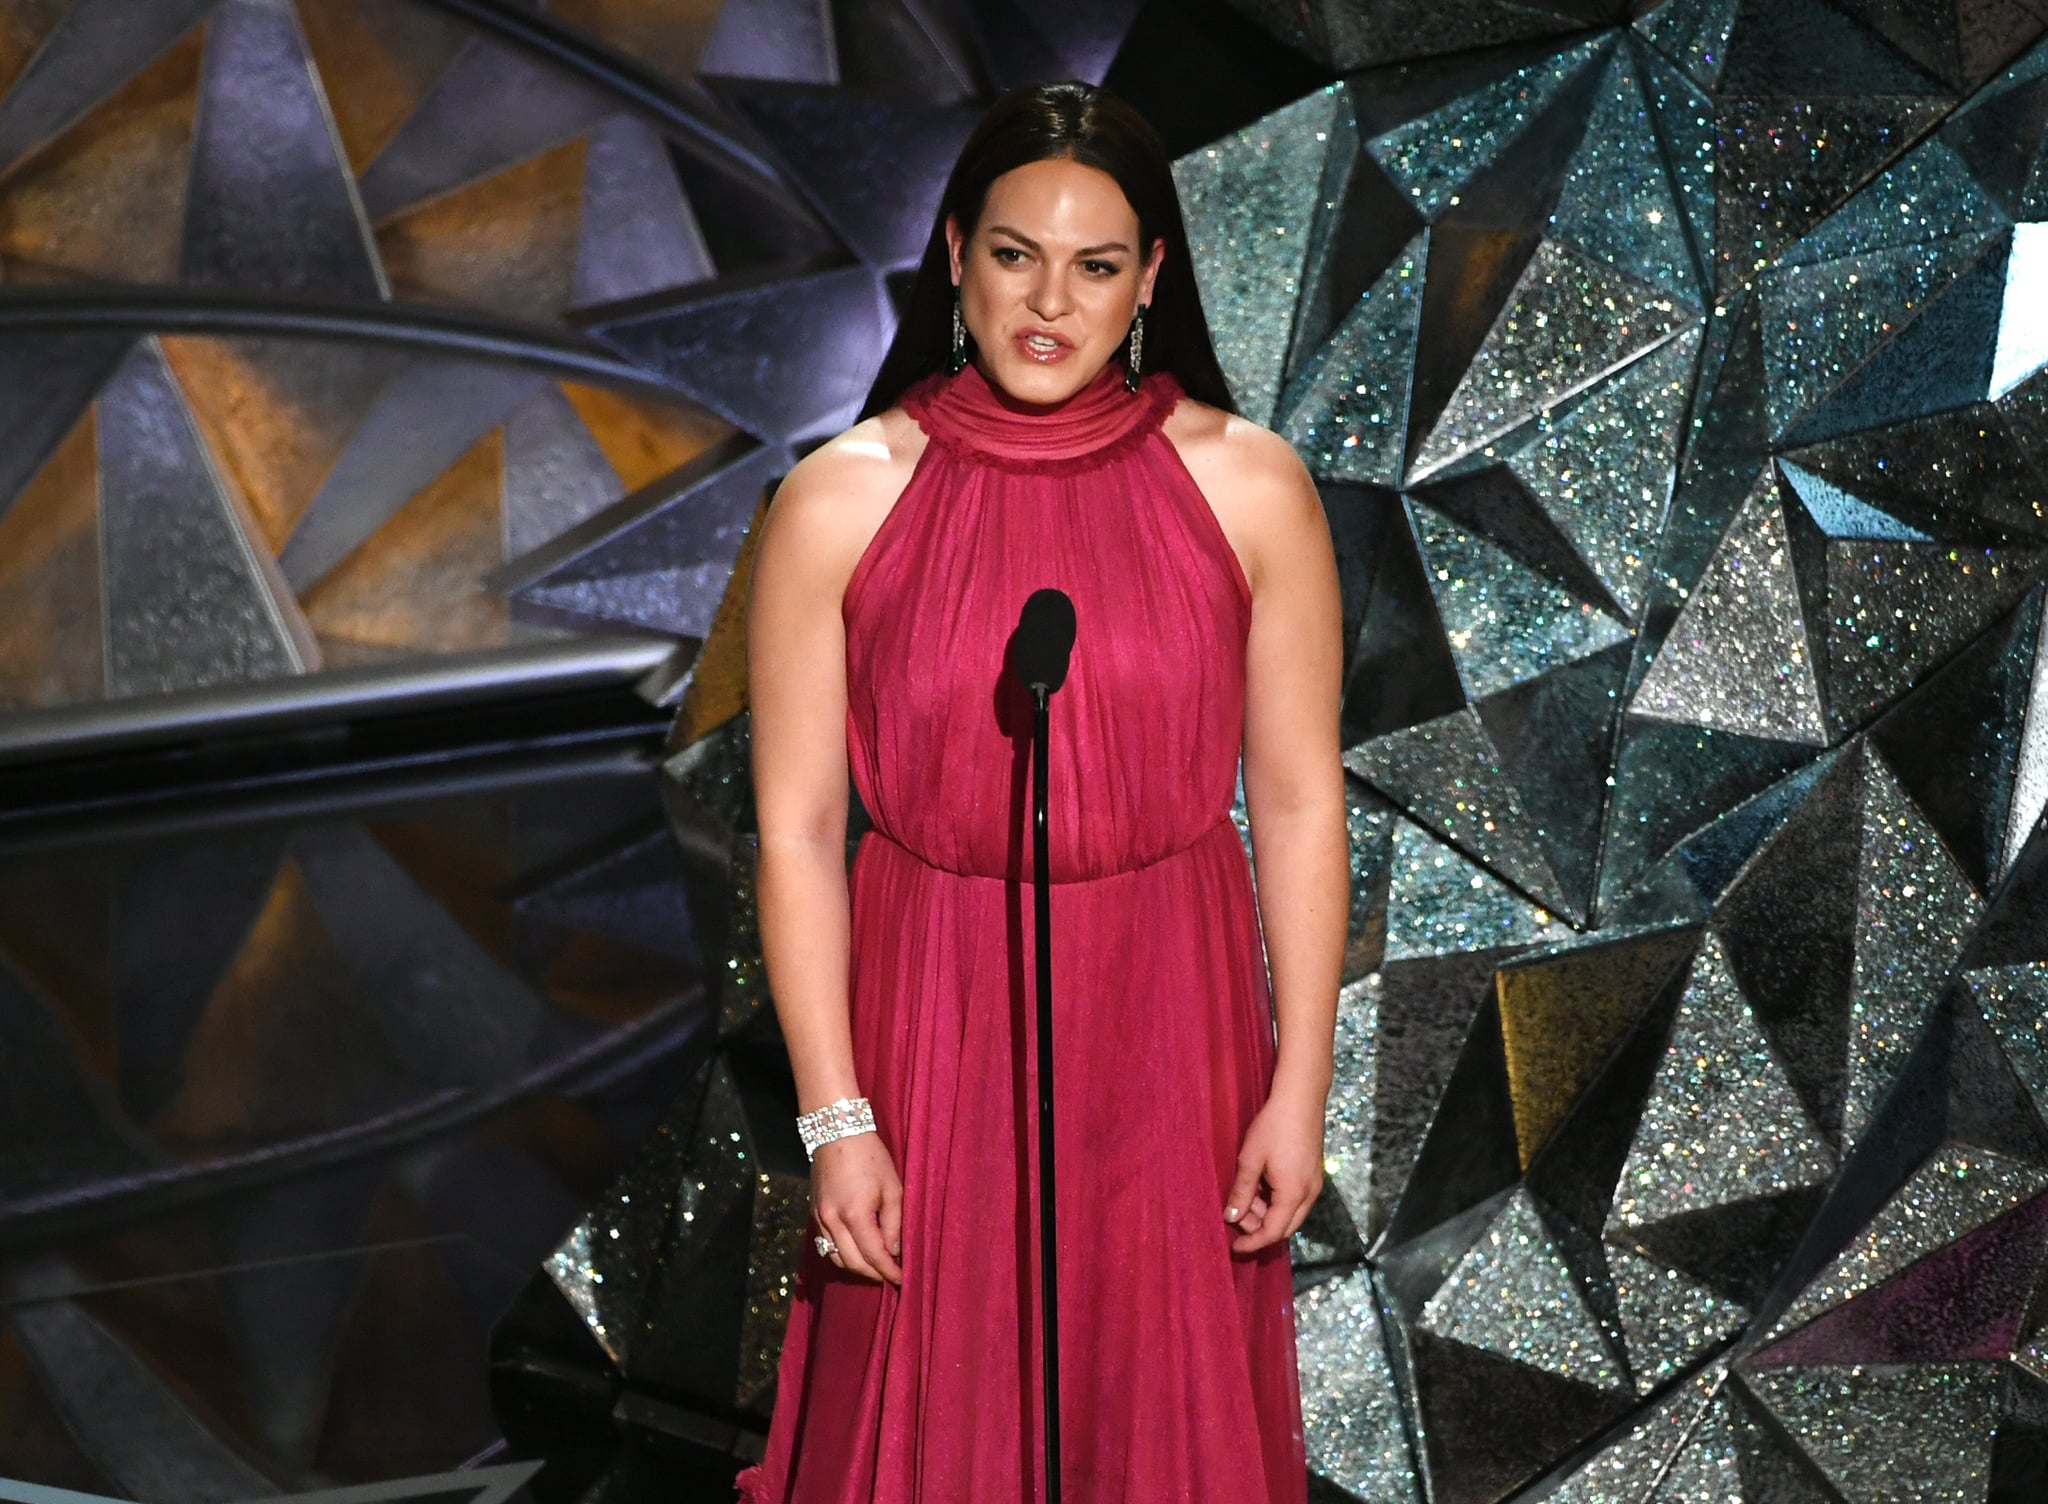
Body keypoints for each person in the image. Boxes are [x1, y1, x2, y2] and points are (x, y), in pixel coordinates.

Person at [735, 79, 1346, 1504]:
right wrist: (838, 1120)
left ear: (1152, 280)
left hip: (1169, 1016)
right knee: (928, 1411)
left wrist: (1297, 1089)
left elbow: (1302, 801)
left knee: (1151, 1411)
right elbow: (798, 828)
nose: (1048, 303)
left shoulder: (1251, 488)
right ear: (956, 257)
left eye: (1094, 264)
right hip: (927, 1006)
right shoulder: (842, 499)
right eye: (1014, 255)